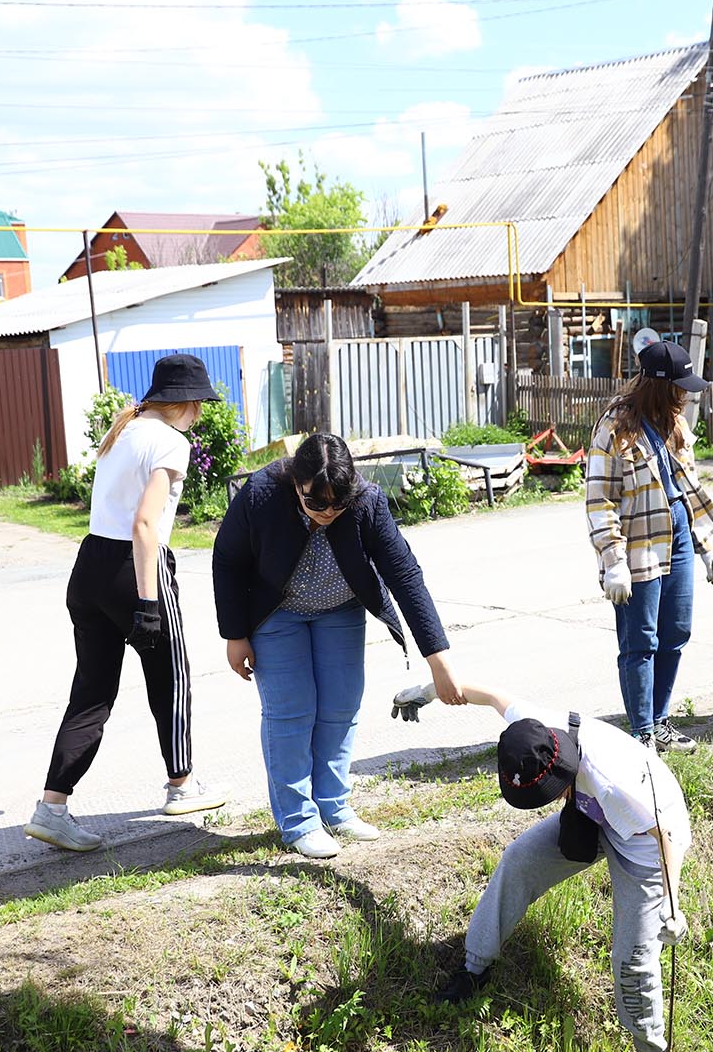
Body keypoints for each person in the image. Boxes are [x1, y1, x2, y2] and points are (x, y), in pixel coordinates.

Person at [398, 676, 688, 1052]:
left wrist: (673, 904)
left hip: (646, 844)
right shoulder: (536, 732)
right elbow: (491, 693)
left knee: (631, 957)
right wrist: (427, 691)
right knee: (518, 859)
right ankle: (474, 968)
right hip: (591, 812)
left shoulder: (614, 783)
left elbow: (668, 834)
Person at [213, 433, 463, 859]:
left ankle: (333, 806)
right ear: (297, 484)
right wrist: (235, 635)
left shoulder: (366, 500)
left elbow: (404, 574)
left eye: (338, 504)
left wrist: (438, 660)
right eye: (316, 503)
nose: (328, 512)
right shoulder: (261, 492)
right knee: (292, 711)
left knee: (340, 707)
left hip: (340, 609)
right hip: (276, 613)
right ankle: (298, 821)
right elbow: (228, 558)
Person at [26, 352, 228, 852]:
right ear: (186, 403)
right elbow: (144, 525)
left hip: (89, 565)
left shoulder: (126, 431)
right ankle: (181, 786)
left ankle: (52, 808)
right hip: (134, 567)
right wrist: (148, 602)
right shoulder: (170, 441)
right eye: (200, 404)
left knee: (91, 693)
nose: (200, 413)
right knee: (172, 676)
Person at [584, 340, 713, 753]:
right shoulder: (614, 429)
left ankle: (660, 723)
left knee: (676, 631)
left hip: (679, 530)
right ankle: (642, 733)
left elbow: (688, 486)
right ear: (660, 386)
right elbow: (600, 500)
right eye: (680, 387)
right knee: (640, 640)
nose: (685, 394)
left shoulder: (675, 425)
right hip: (638, 543)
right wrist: (613, 560)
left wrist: (705, 544)